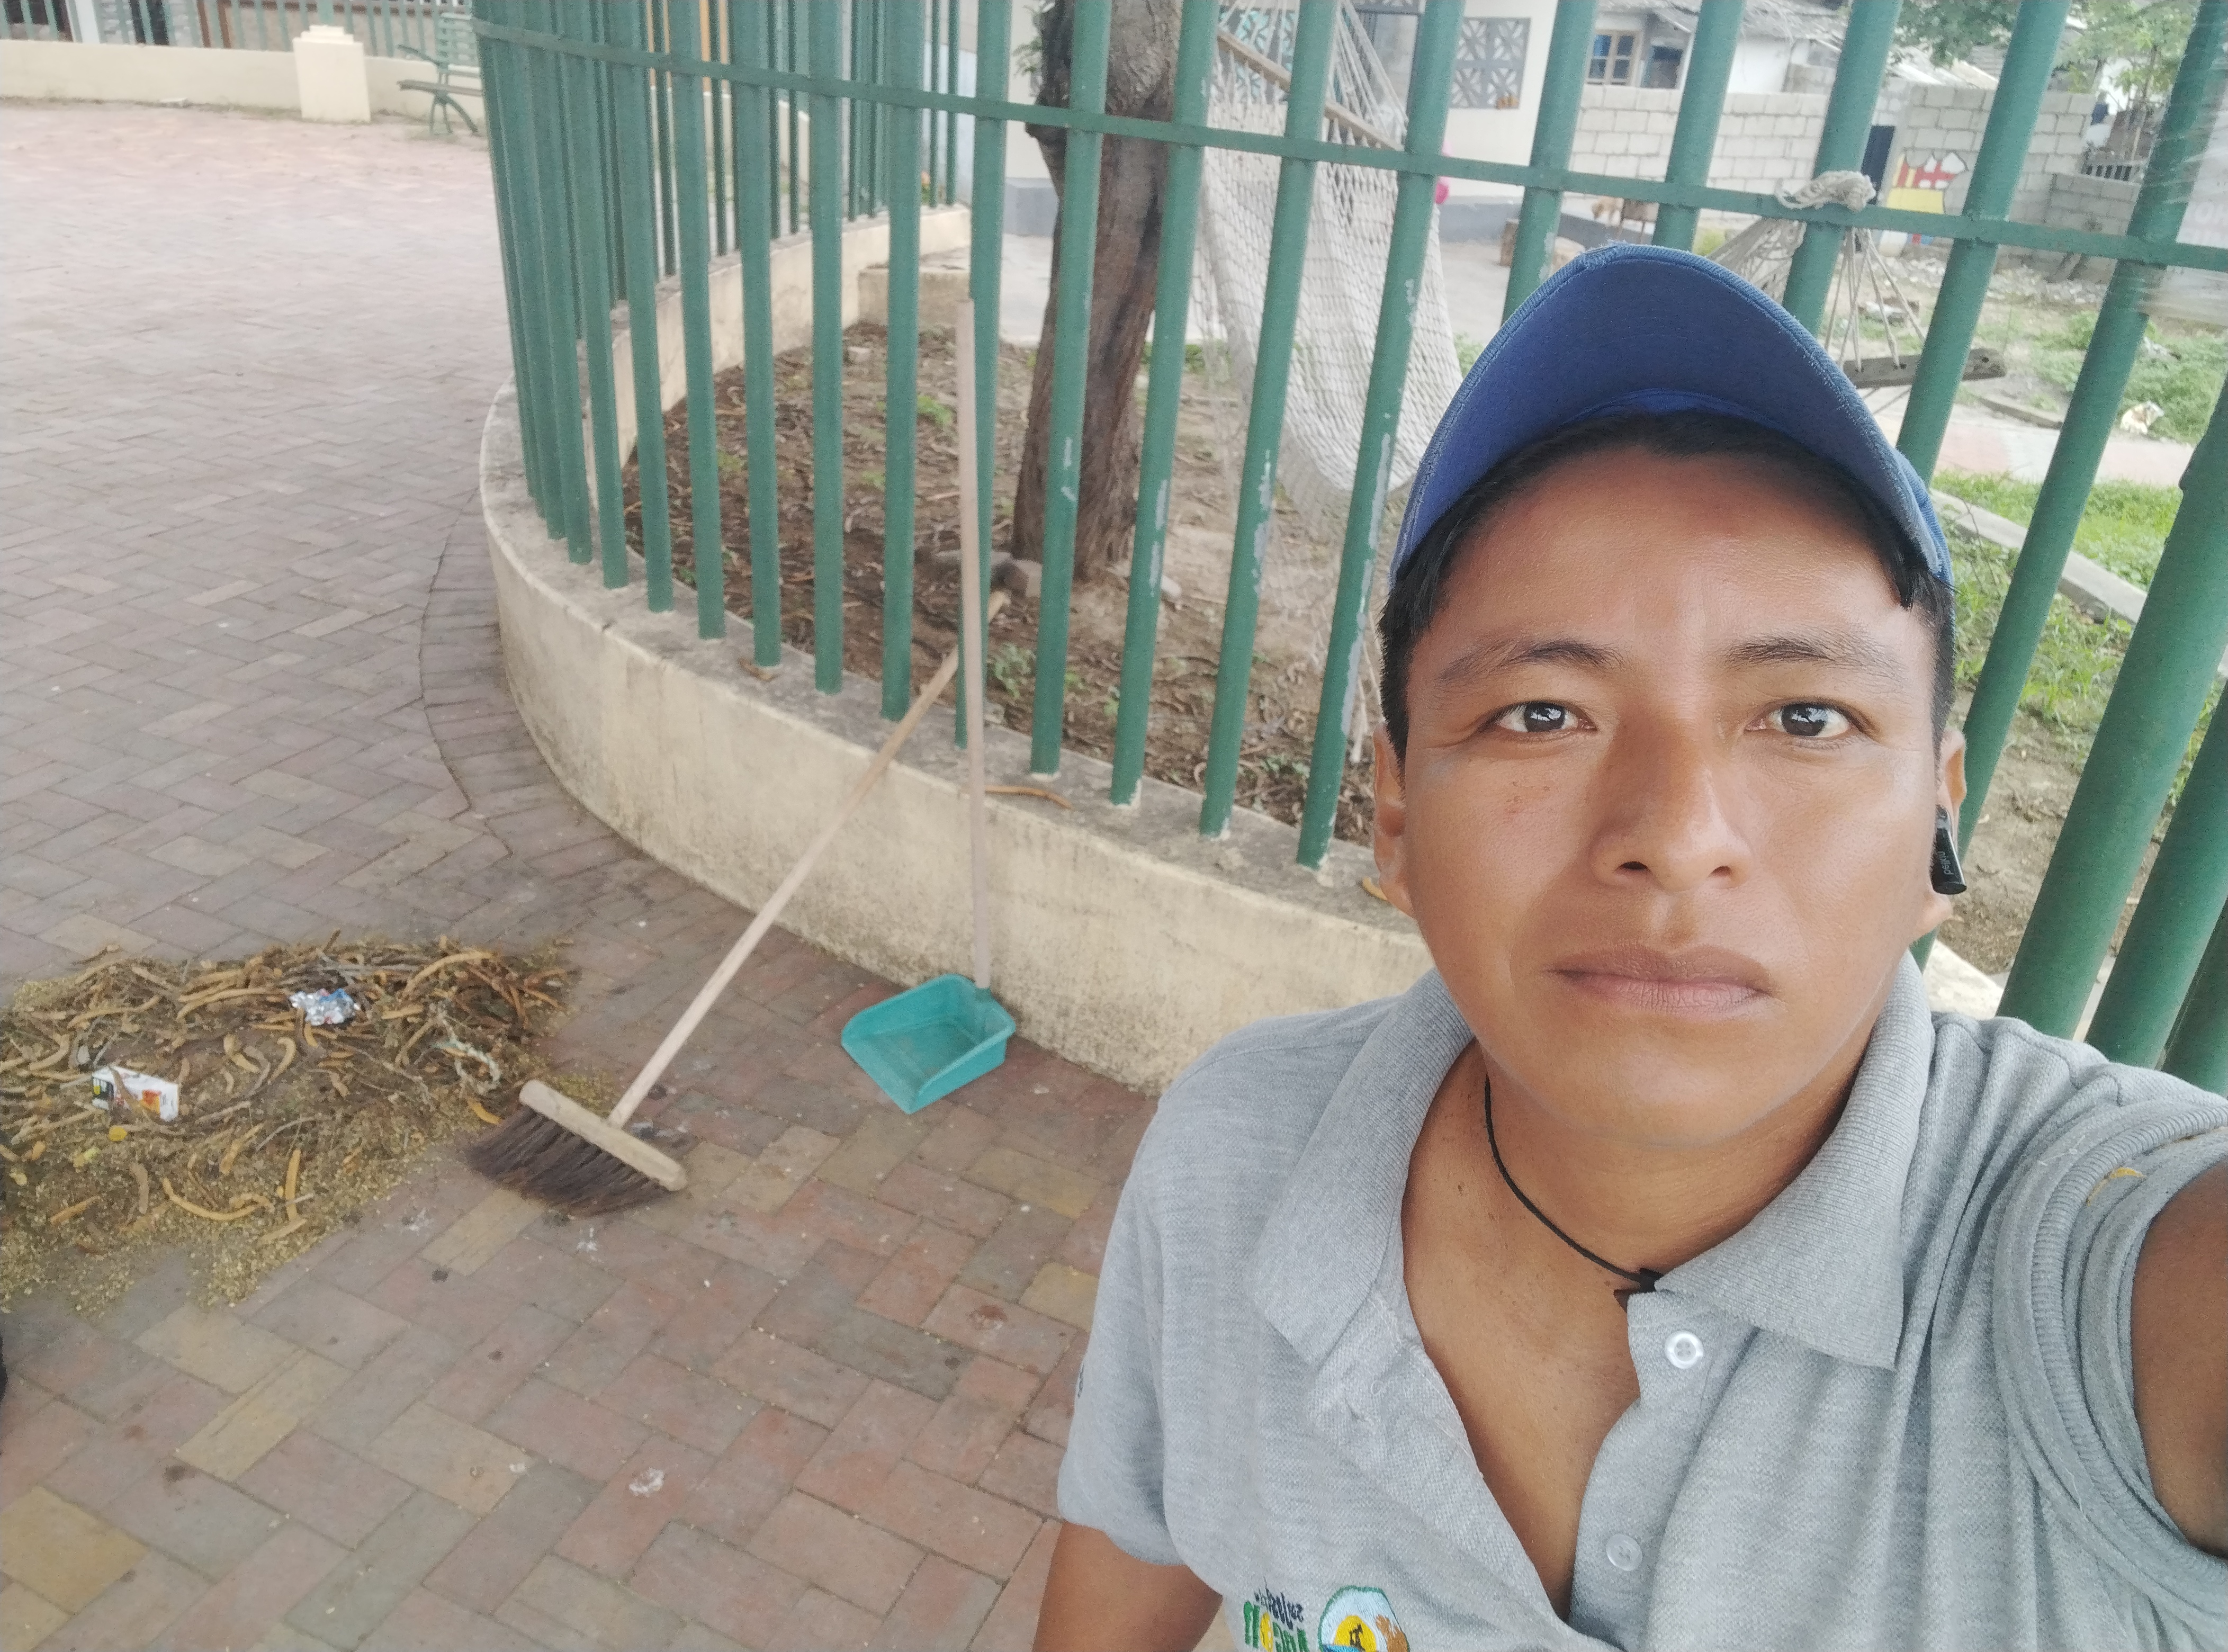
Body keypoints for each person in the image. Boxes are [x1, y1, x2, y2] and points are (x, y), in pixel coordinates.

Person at [1035, 245, 2226, 1651]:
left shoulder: (2113, 1269)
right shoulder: (1235, 1153)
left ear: (1937, 825)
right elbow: (1126, 1565)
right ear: (1398, 817)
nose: (1675, 835)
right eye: (1541, 714)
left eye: (1806, 718)